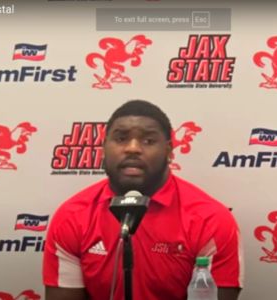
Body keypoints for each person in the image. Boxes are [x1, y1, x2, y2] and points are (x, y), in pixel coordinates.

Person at [43, 99, 243, 300]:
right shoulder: (72, 216)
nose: (132, 148)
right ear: (103, 148)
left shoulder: (210, 220)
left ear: (169, 151)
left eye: (148, 141)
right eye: (121, 139)